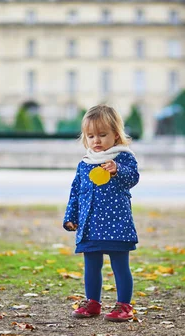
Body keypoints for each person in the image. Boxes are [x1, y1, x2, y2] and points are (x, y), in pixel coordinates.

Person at [63, 104, 139, 322]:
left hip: (117, 224)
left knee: (120, 266)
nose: (96, 141)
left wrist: (117, 170)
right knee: (91, 265)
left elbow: (133, 178)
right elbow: (76, 191)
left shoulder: (123, 158)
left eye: (102, 135)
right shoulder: (85, 164)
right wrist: (71, 216)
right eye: (91, 136)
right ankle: (92, 302)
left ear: (116, 135)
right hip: (90, 225)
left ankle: (124, 305)